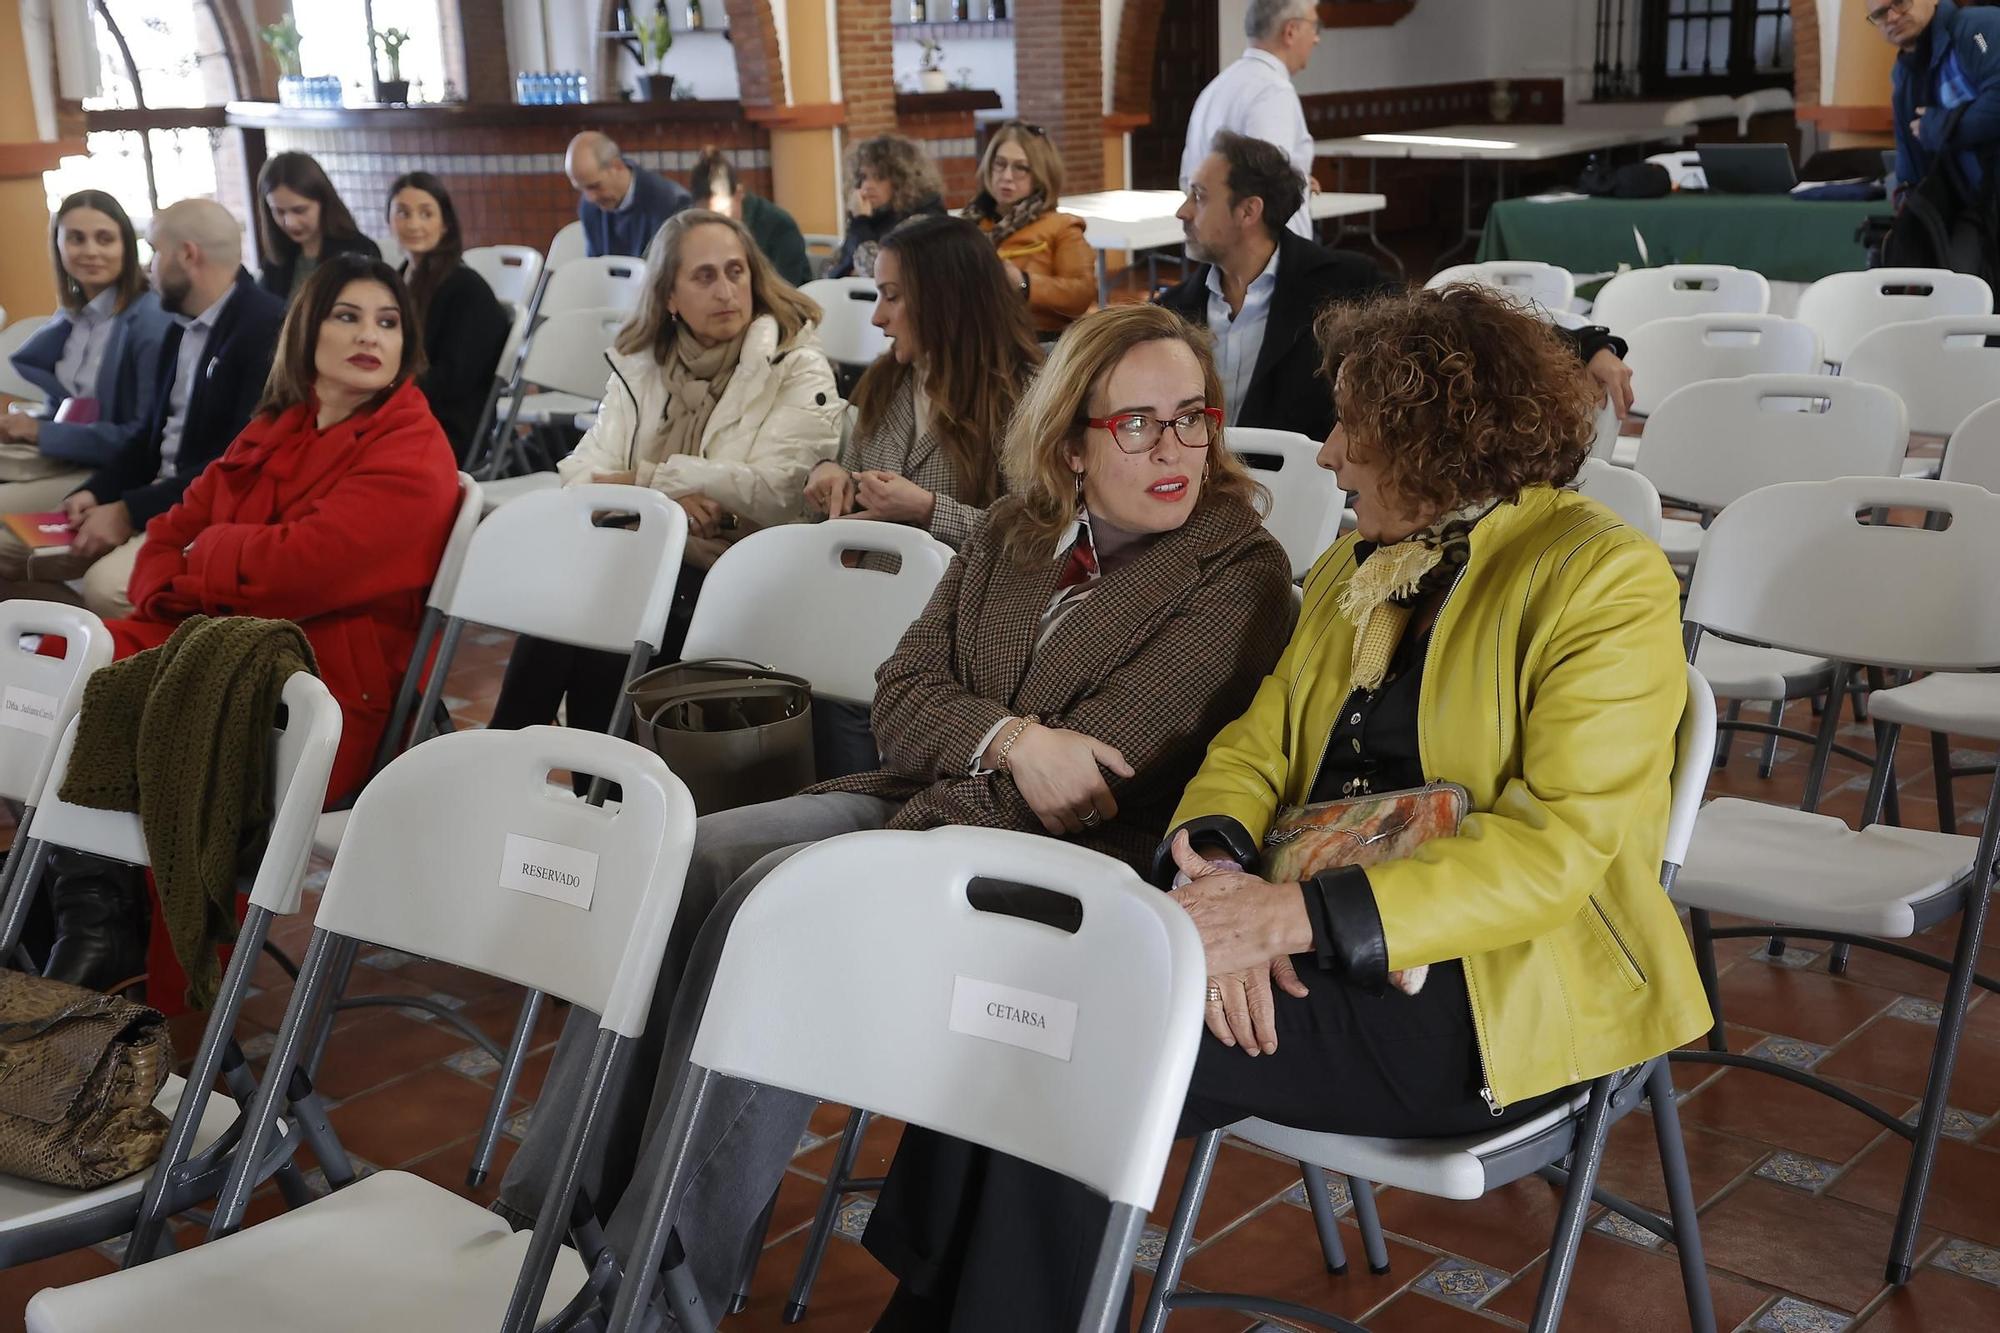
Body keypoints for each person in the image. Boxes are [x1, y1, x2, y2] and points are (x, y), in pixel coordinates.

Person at [863, 283, 1713, 1329]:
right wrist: (1220, 878)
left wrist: (1287, 919)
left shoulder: (1600, 575)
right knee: (1036, 1002)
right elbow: (1253, 751)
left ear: (1426, 436)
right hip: (1304, 931)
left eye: (1348, 425)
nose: (1325, 455)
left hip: (1490, 995)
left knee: (1083, 1032)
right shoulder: (1355, 568)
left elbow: (1556, 850)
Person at [493, 302, 1294, 1323]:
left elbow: (1100, 774)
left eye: (1191, 416)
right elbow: (896, 696)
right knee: (693, 859)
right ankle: (546, 1222)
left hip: (1051, 878)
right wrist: (1012, 739)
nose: (1172, 447)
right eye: (1134, 423)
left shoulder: (1239, 573)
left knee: (780, 914)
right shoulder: (1014, 528)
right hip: (916, 808)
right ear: (1072, 443)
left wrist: (963, 748)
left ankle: (652, 1279)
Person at [41, 254, 459, 991]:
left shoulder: (413, 446)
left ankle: (164, 992)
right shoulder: (278, 424)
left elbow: (303, 568)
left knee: (160, 707)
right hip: (216, 642)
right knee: (53, 677)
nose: (371, 335)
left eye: (389, 323)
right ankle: (95, 916)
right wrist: (206, 567)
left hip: (325, 688)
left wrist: (209, 559)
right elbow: (166, 538)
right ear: (307, 332)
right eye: (348, 316)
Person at [486, 208, 841, 739]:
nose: (726, 290)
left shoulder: (795, 364)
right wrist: (664, 500)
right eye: (704, 276)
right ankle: (568, 776)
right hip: (651, 563)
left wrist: (645, 488)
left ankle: (533, 764)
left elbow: (774, 491)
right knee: (587, 592)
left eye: (735, 271)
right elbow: (578, 479)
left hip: (740, 573)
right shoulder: (641, 368)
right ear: (670, 297)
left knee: (606, 596)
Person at [0, 200, 284, 618]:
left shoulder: (266, 329)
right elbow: (148, 440)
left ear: (187, 255)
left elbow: (234, 465)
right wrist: (97, 491)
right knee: (5, 549)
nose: (148, 268)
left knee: (105, 589)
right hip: (156, 494)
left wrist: (127, 510)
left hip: (206, 512)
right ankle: (69, 656)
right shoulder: (182, 321)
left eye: (154, 251)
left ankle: (125, 667)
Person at [805, 214, 1040, 549]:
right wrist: (830, 477)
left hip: (958, 597)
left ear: (946, 299)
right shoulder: (886, 381)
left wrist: (928, 509)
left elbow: (1037, 537)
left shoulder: (1024, 395)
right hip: (866, 591)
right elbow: (854, 492)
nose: (876, 317)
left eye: (892, 296)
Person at [1158, 131, 1393, 442]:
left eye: (1199, 196)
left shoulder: (1350, 287)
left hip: (1312, 482)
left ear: (1248, 211)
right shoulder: (1171, 311)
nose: (1182, 211)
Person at [0, 191, 174, 511]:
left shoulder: (151, 318)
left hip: (114, 471)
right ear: (58, 246)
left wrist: (42, 432)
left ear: (126, 246)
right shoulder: (72, 317)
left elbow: (143, 437)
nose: (91, 251)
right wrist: (30, 426)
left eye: (105, 239)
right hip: (64, 457)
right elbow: (69, 408)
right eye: (76, 239)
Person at [386, 171, 510, 460]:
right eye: (402, 213)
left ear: (445, 224)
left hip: (445, 425)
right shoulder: (392, 281)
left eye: (426, 214)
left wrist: (386, 390)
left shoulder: (468, 290)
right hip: (404, 408)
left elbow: (452, 380)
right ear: (389, 222)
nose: (414, 224)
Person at [1181, 0, 1322, 240]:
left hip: (1218, 242)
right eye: (1314, 27)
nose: (1317, 39)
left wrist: (1300, 178)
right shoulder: (1272, 91)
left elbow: (1189, 177)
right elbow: (1269, 185)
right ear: (1290, 31)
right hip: (1266, 254)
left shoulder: (1217, 86)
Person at [1880, 0, 2000, 274]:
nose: (1891, 16)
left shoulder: (1978, 30)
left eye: (1899, 3)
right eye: (1879, 13)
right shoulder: (1904, 76)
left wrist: (1939, 127)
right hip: (1975, 207)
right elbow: (1910, 165)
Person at [960, 122, 1096, 336]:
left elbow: (1081, 296)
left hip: (1035, 344)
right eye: (1000, 164)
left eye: (1020, 168)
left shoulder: (1062, 227)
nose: (1006, 176)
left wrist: (1024, 283)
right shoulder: (969, 225)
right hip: (971, 339)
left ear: (1041, 173)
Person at [254, 152, 382, 301]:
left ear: (323, 202)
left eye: (300, 210)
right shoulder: (276, 260)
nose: (290, 222)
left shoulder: (360, 251)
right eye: (279, 211)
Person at [688, 148, 813, 287]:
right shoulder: (693, 229)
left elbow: (784, 292)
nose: (714, 224)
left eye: (721, 213)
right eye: (706, 218)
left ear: (739, 194)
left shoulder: (779, 226)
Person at [829, 134, 947, 280]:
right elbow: (831, 269)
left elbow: (878, 274)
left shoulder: (924, 219)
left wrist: (860, 221)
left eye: (879, 177)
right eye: (864, 177)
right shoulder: (874, 215)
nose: (867, 185)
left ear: (903, 180)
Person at [567, 131, 694, 259]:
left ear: (617, 166)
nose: (590, 198)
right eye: (581, 189)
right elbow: (595, 269)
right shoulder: (589, 208)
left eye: (595, 186)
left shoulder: (672, 203)